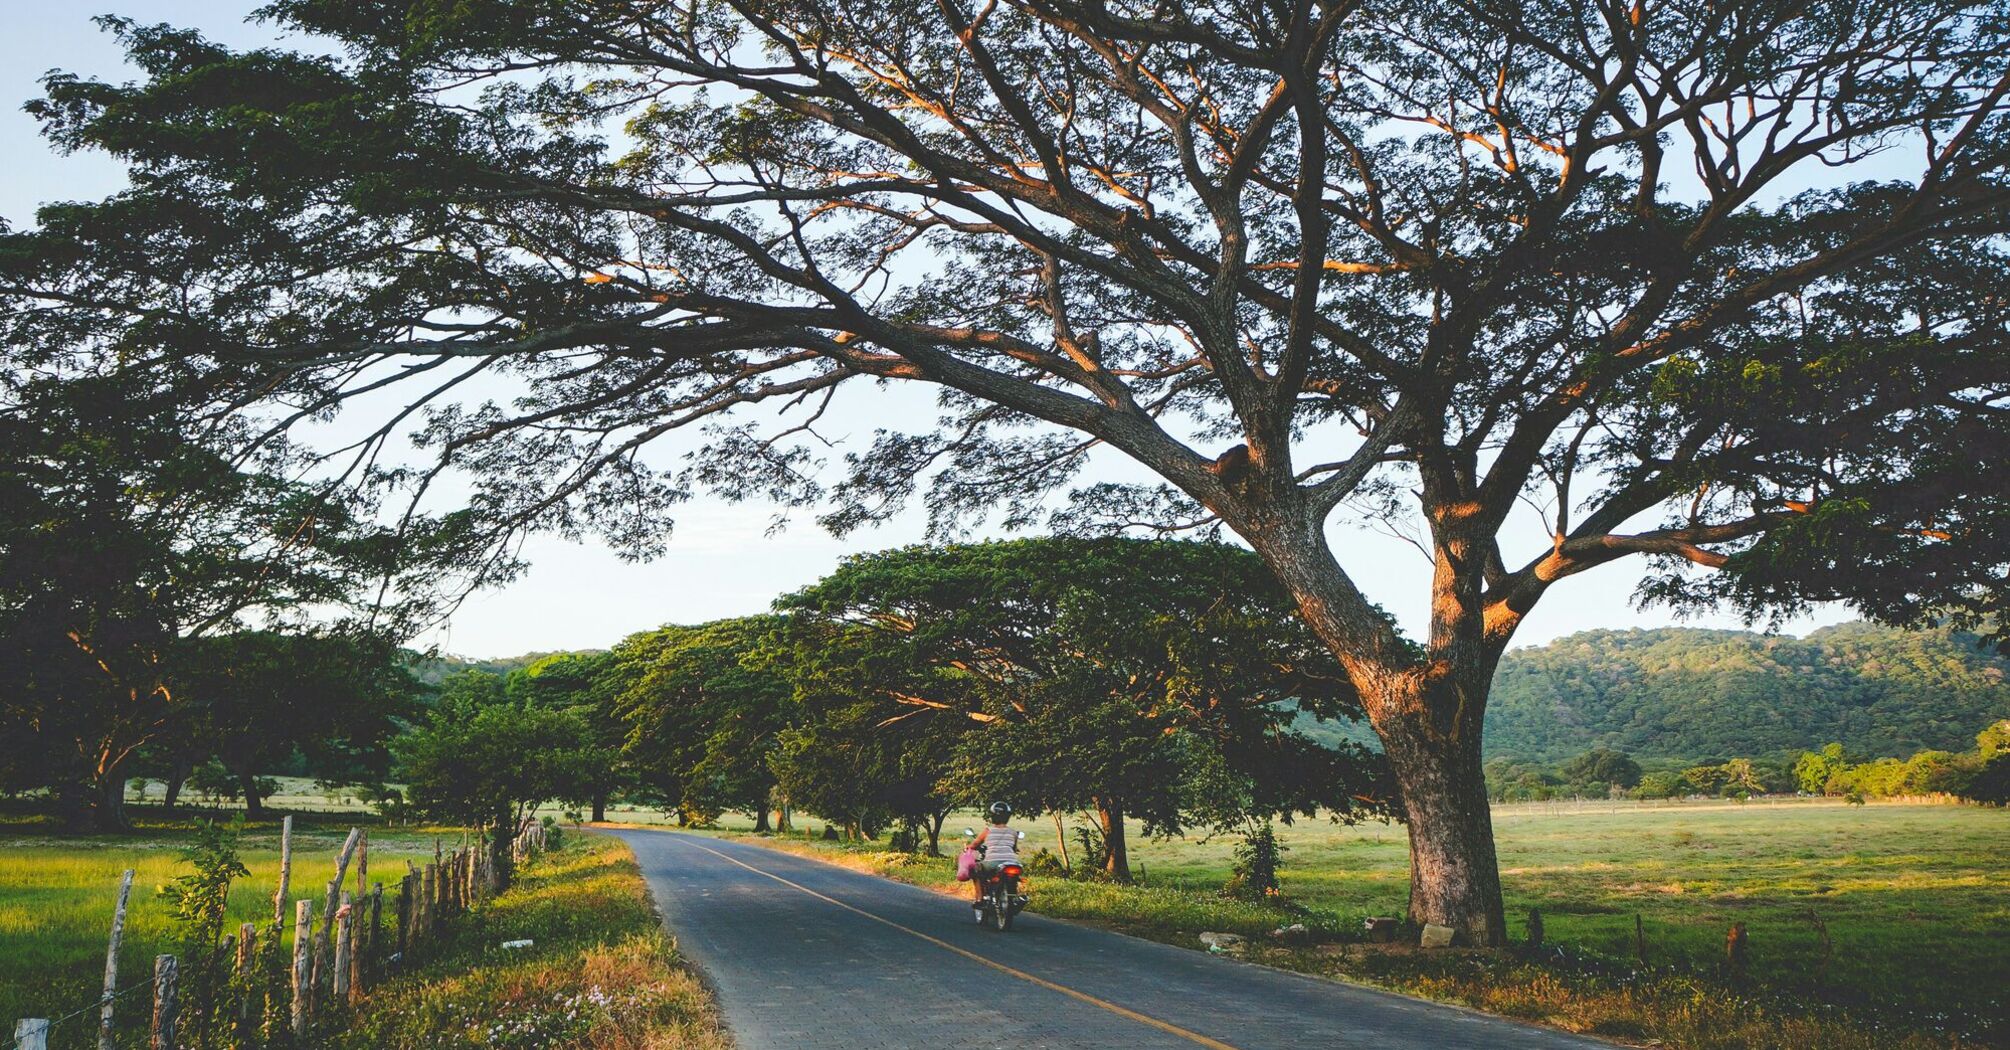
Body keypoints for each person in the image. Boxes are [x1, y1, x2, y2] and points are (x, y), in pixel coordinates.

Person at [970, 801, 1020, 907]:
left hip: (992, 862)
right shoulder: (1013, 832)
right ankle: (1014, 896)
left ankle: (979, 898)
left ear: (992, 816)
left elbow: (974, 844)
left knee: (975, 869)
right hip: (1011, 862)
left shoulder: (988, 831)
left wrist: (968, 848)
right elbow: (1014, 848)